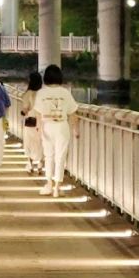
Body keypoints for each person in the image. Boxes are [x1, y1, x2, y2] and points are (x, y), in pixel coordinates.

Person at [35, 63, 79, 196]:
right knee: (61, 156)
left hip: (47, 125)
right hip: (62, 126)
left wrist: (38, 128)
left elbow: (38, 113)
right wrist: (76, 130)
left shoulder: (41, 93)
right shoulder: (65, 92)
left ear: (46, 78)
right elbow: (73, 114)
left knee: (49, 156)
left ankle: (48, 184)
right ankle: (57, 187)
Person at [20, 69, 44, 176]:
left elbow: (25, 109)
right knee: (40, 142)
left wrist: (23, 112)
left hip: (30, 121)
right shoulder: (43, 94)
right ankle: (40, 164)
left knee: (29, 142)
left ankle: (30, 164)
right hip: (42, 121)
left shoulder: (27, 94)